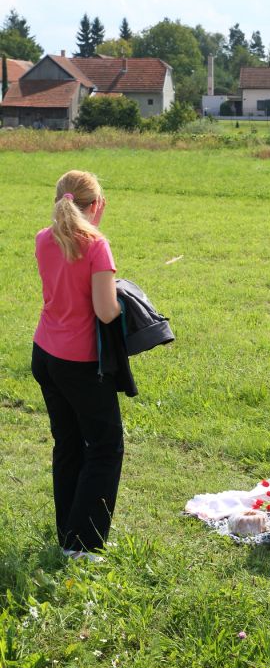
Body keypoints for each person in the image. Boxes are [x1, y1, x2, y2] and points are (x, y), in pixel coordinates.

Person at [31, 170, 123, 561]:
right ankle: (83, 546)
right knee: (105, 448)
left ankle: (68, 532)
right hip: (80, 363)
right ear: (96, 205)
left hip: (45, 353)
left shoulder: (43, 238)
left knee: (68, 444)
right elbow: (106, 311)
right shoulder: (97, 246)